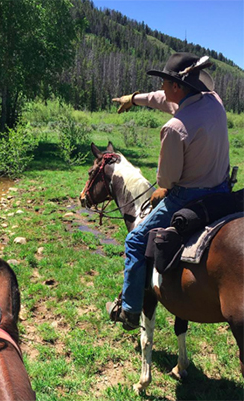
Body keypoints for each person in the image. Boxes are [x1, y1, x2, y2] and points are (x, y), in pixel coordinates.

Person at [108, 52, 230, 330]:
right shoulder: (213, 101)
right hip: (222, 189)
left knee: (136, 241)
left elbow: (168, 180)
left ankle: (129, 309)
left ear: (177, 87)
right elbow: (162, 99)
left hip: (188, 196)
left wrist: (163, 188)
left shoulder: (174, 128)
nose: (162, 87)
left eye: (165, 82)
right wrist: (135, 98)